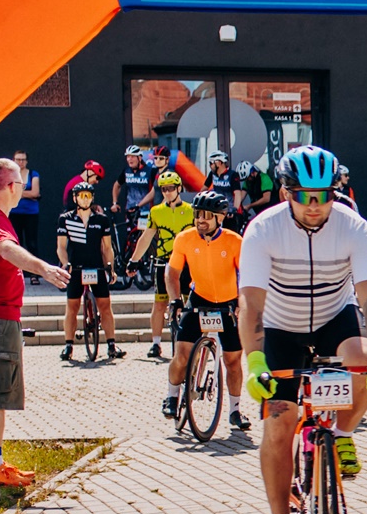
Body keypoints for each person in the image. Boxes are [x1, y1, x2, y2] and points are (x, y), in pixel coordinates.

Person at [239, 145, 367, 514]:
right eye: (304, 196)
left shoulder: (353, 227)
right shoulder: (263, 230)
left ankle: (342, 434)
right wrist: (254, 363)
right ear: (285, 193)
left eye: (324, 195)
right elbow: (250, 304)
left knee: (364, 360)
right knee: (279, 425)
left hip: (333, 318)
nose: (315, 205)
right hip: (279, 327)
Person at [0, 157, 68, 487]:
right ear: (10, 186)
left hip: (0, 316)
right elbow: (6, 249)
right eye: (20, 183)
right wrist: (43, 268)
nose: (22, 189)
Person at [162, 190, 251, 432]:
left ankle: (235, 410)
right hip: (199, 299)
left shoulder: (235, 241)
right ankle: (171, 396)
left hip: (228, 303)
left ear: (219, 218)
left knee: (233, 361)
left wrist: (241, 304)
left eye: (206, 215)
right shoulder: (185, 238)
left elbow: (246, 276)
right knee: (182, 355)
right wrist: (175, 301)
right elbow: (172, 273)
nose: (200, 219)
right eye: (197, 214)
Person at [56, 179, 123, 360]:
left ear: (92, 198)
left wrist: (110, 268)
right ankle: (68, 345)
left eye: (88, 196)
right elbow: (61, 247)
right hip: (76, 268)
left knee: (105, 306)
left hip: (97, 267)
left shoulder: (101, 219)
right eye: (81, 196)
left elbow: (107, 248)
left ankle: (111, 344)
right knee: (72, 307)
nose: (84, 199)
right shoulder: (65, 219)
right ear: (75, 198)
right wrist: (65, 263)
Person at [131, 170, 194, 359]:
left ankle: (193, 342)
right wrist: (133, 260)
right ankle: (156, 343)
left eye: (171, 188)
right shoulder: (156, 212)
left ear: (179, 188)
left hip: (187, 262)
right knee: (159, 303)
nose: (167, 192)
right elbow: (146, 237)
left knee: (190, 303)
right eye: (163, 189)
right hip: (164, 260)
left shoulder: (192, 210)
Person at [10, 151, 42, 277]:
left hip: (31, 213)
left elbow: (35, 193)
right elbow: (8, 191)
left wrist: (18, 193)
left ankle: (35, 274)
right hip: (14, 212)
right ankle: (17, 274)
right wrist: (27, 194)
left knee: (32, 243)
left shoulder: (33, 174)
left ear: (27, 161)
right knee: (16, 243)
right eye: (18, 159)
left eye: (23, 160)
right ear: (13, 160)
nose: (20, 162)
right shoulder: (10, 175)